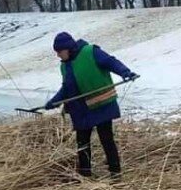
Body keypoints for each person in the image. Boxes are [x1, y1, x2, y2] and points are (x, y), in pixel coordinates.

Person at [45, 32, 138, 179]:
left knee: (106, 139)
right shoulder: (65, 66)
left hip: (101, 106)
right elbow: (67, 88)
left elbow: (111, 62)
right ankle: (85, 175)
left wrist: (125, 72)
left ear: (68, 48)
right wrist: (53, 102)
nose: (58, 55)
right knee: (82, 143)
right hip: (81, 111)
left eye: (59, 51)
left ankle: (115, 175)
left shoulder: (90, 52)